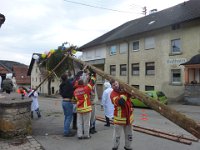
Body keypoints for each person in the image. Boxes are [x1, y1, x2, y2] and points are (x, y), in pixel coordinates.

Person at [110, 79, 134, 150]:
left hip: (128, 118)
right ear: (111, 87)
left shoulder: (124, 90)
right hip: (119, 119)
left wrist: (128, 89)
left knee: (129, 134)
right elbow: (121, 102)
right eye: (113, 85)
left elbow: (133, 96)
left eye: (116, 84)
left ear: (118, 83)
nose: (115, 86)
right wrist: (125, 92)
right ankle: (115, 147)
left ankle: (128, 147)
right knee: (117, 135)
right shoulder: (113, 94)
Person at [73, 70, 96, 139]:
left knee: (79, 123)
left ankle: (79, 135)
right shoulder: (86, 89)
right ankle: (86, 135)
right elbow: (92, 83)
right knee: (86, 123)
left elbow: (75, 99)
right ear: (83, 83)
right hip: (86, 109)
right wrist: (93, 75)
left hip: (79, 109)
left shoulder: (75, 91)